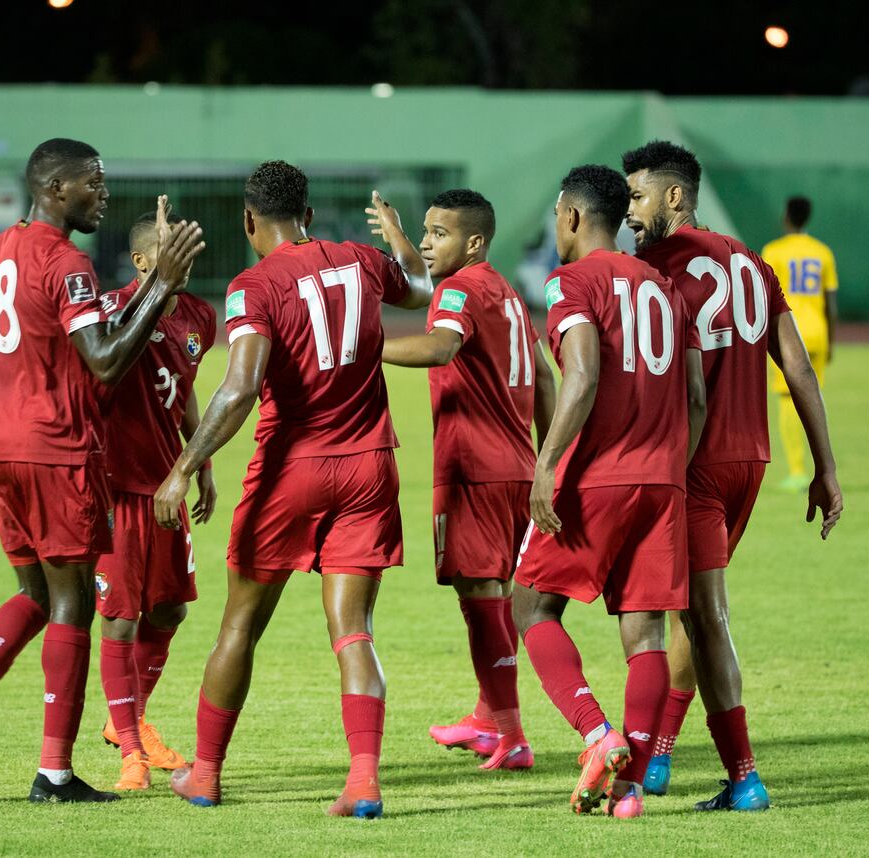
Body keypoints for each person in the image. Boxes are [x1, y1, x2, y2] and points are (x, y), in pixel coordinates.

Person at [0, 138, 204, 803]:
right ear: (55, 188)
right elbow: (105, 360)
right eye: (93, 185)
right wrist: (159, 285)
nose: (102, 196)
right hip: (53, 446)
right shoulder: (66, 260)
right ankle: (55, 773)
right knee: (74, 601)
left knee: (34, 593)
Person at [151, 161, 432, 818]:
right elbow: (420, 287)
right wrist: (396, 236)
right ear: (306, 214)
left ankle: (206, 774)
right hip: (368, 466)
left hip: (290, 472)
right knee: (353, 631)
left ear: (250, 221)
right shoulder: (362, 259)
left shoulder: (253, 286)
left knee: (240, 627)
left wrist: (183, 466)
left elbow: (242, 385)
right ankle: (363, 782)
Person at [624, 140, 843, 811]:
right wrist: (825, 468)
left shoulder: (657, 265)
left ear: (674, 197)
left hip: (692, 460)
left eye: (636, 196)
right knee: (696, 606)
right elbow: (798, 366)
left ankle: (744, 778)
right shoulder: (751, 261)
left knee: (697, 616)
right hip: (749, 458)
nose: (629, 211)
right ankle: (659, 759)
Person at [512, 165, 708, 820]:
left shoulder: (572, 282)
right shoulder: (665, 286)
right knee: (645, 634)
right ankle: (628, 792)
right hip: (663, 481)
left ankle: (599, 735)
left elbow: (584, 376)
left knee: (529, 608)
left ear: (569, 217)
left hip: (598, 478)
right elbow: (698, 399)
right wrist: (671, 464)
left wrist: (547, 462)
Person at [378, 188, 555, 770]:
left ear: (473, 242)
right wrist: (548, 461)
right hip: (517, 469)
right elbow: (547, 380)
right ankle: (486, 718)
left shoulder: (457, 290)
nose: (428, 245)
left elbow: (440, 346)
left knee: (480, 597)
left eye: (439, 234)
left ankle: (512, 736)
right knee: (495, 595)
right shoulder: (502, 289)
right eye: (425, 233)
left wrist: (366, 346)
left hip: (473, 472)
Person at [94, 211, 218, 790]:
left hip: (168, 485)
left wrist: (203, 464)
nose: (184, 259)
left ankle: (130, 723)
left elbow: (187, 390)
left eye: (188, 250)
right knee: (118, 619)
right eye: (171, 250)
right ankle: (131, 756)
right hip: (117, 488)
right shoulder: (114, 313)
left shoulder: (199, 317)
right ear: (143, 261)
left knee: (169, 608)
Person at [761, 196, 839, 491]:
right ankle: (823, 463)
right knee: (814, 397)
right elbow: (831, 304)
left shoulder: (774, 251)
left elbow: (765, 298)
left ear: (786, 216)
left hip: (788, 334)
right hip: (817, 332)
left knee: (787, 401)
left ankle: (797, 470)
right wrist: (831, 341)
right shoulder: (822, 252)